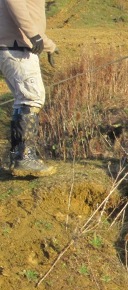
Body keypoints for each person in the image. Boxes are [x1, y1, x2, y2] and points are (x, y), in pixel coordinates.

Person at [0, 0, 57, 177]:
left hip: (14, 45)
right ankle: (24, 157)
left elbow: (30, 16)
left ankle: (18, 156)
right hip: (17, 47)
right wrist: (34, 36)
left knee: (23, 100)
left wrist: (49, 45)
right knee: (32, 98)